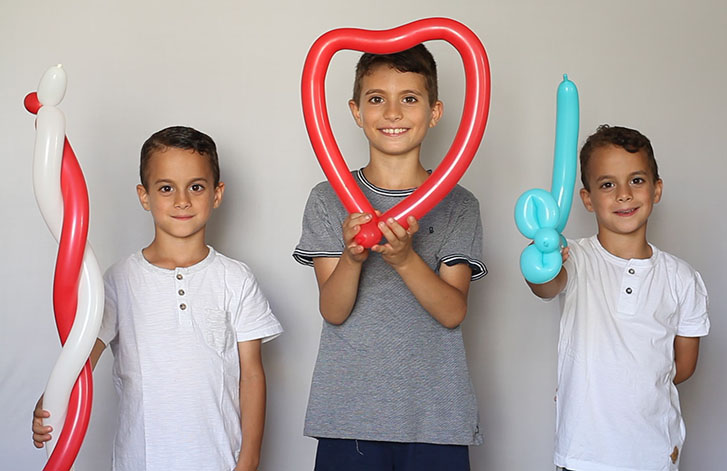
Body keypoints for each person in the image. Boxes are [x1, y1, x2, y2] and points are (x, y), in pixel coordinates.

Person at [33, 126, 283, 471]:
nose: (182, 200)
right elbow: (82, 359)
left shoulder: (236, 279)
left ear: (217, 194)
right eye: (166, 188)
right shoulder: (119, 280)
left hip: (219, 461)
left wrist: (249, 459)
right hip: (141, 461)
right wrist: (52, 399)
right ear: (144, 196)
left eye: (196, 187)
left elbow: (251, 375)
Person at [293, 44, 487, 471]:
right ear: (356, 111)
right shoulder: (327, 199)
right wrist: (352, 257)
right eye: (377, 98)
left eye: (410, 98)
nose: (393, 112)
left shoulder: (459, 204)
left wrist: (404, 259)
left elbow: (453, 312)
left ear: (434, 112)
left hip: (436, 421)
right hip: (349, 418)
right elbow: (333, 310)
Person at [527, 125, 710, 471]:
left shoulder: (681, 278)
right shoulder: (574, 258)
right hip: (583, 455)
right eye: (607, 184)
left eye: (636, 180)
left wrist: (631, 387)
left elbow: (683, 367)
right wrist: (542, 262)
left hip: (654, 455)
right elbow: (545, 286)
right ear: (587, 198)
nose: (624, 194)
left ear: (656, 189)